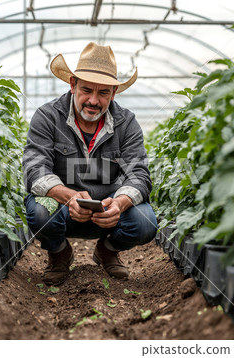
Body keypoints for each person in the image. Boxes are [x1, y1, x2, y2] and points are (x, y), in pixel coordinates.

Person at [22, 42, 158, 286]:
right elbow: (34, 169)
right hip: (63, 209)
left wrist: (119, 203)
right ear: (73, 85)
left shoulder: (126, 123)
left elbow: (139, 175)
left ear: (113, 94)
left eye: (103, 92)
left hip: (108, 213)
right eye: (87, 90)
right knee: (40, 210)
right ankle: (59, 253)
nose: (93, 100)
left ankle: (107, 250)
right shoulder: (47, 116)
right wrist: (69, 196)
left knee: (144, 221)